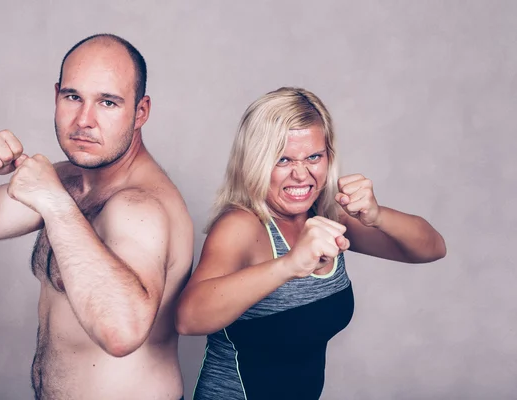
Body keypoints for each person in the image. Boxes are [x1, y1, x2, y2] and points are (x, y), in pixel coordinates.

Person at [0, 34, 193, 400]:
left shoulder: (140, 207)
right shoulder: (70, 182)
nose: (84, 120)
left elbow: (121, 334)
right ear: (56, 95)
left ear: (141, 112)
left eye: (108, 102)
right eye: (73, 97)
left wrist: (55, 204)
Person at [175, 87, 447, 400]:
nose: (301, 175)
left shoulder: (330, 215)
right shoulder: (242, 226)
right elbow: (188, 318)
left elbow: (432, 248)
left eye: (314, 156)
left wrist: (377, 215)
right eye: (283, 159)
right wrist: (289, 265)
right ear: (256, 161)